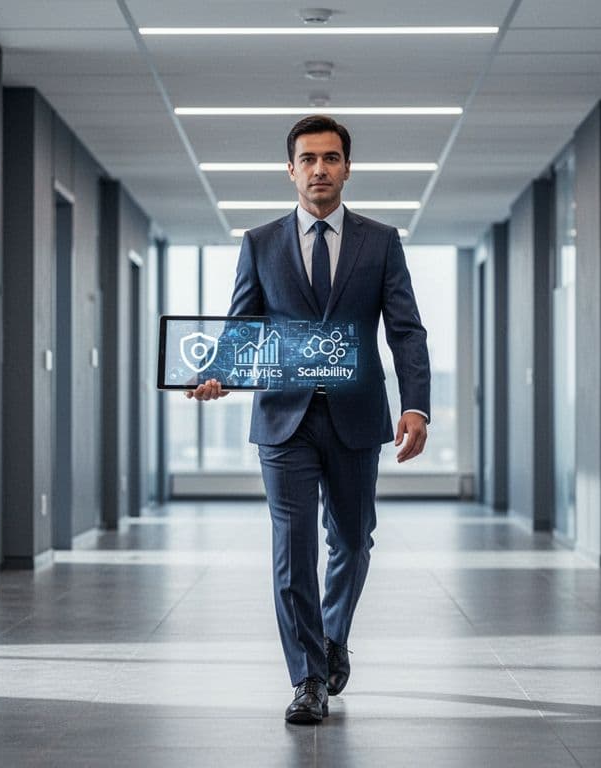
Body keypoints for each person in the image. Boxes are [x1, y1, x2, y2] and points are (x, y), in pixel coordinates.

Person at [187, 115, 431, 724]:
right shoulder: (260, 242)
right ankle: (308, 678)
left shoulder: (380, 242)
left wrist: (415, 404)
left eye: (330, 158)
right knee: (293, 549)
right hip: (283, 420)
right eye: (308, 159)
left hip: (354, 416)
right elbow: (243, 326)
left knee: (351, 539)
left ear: (348, 167)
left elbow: (404, 329)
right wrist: (218, 372)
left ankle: (331, 634)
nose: (319, 169)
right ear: (290, 169)